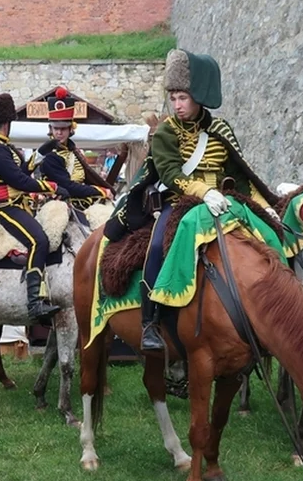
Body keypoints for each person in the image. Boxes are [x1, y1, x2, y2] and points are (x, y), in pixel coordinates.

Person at [106, 49, 279, 352]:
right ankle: (150, 321)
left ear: (199, 95)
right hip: (180, 202)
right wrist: (203, 192)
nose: (176, 105)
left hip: (224, 202)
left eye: (182, 97)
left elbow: (240, 177)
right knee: (157, 247)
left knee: (269, 240)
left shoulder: (221, 130)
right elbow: (171, 172)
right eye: (172, 98)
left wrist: (265, 209)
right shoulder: (165, 133)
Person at [0, 92, 67, 322]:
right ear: (6, 123)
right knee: (38, 240)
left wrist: (40, 153)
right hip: (4, 207)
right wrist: (53, 187)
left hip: (16, 204)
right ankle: (34, 303)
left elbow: (20, 172)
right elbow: (20, 182)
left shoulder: (1, 146)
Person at [36, 86, 114, 223]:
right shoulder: (50, 157)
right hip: (58, 202)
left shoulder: (74, 151)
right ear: (50, 129)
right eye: (56, 129)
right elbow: (68, 186)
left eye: (63, 128)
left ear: (70, 129)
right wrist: (100, 191)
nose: (59, 133)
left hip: (83, 199)